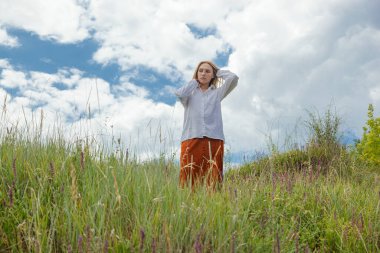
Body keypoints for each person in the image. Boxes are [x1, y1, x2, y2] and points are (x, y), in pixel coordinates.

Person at [175, 60, 239, 189]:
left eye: (207, 71)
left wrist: (217, 72)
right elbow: (180, 93)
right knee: (188, 177)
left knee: (214, 177)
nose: (203, 73)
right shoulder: (189, 94)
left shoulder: (217, 93)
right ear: (196, 73)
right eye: (201, 70)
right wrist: (195, 81)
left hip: (214, 139)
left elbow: (233, 78)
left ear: (213, 75)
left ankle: (212, 204)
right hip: (191, 138)